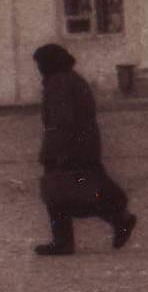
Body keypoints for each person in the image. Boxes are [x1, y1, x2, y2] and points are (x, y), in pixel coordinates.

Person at [32, 42, 135, 255]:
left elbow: (62, 121)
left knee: (59, 193)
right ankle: (119, 218)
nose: (38, 68)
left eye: (40, 64)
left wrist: (55, 153)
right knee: (86, 189)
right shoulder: (71, 79)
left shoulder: (58, 83)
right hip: (84, 144)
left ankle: (64, 241)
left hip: (68, 147)